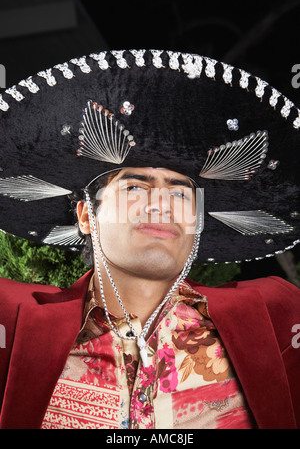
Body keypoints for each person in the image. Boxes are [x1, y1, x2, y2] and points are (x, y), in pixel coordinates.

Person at [0, 49, 299, 429]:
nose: (161, 206)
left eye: (179, 193)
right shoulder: (13, 327)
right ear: (85, 216)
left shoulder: (279, 321)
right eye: (135, 187)